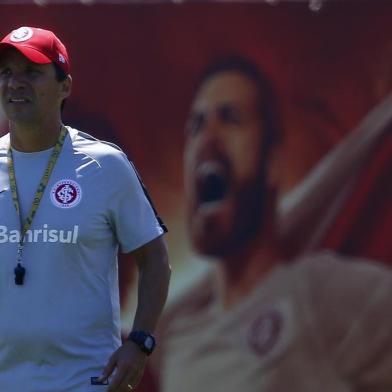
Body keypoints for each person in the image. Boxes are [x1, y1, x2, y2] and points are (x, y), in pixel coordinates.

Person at [151, 56, 392, 392]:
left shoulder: (321, 293)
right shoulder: (173, 342)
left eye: (230, 118)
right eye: (196, 126)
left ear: (274, 162)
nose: (207, 137)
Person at [0, 26, 171, 392]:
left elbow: (155, 260)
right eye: (6, 73)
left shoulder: (105, 165)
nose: (15, 83)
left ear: (65, 87)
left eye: (31, 72)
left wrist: (140, 343)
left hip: (85, 382)